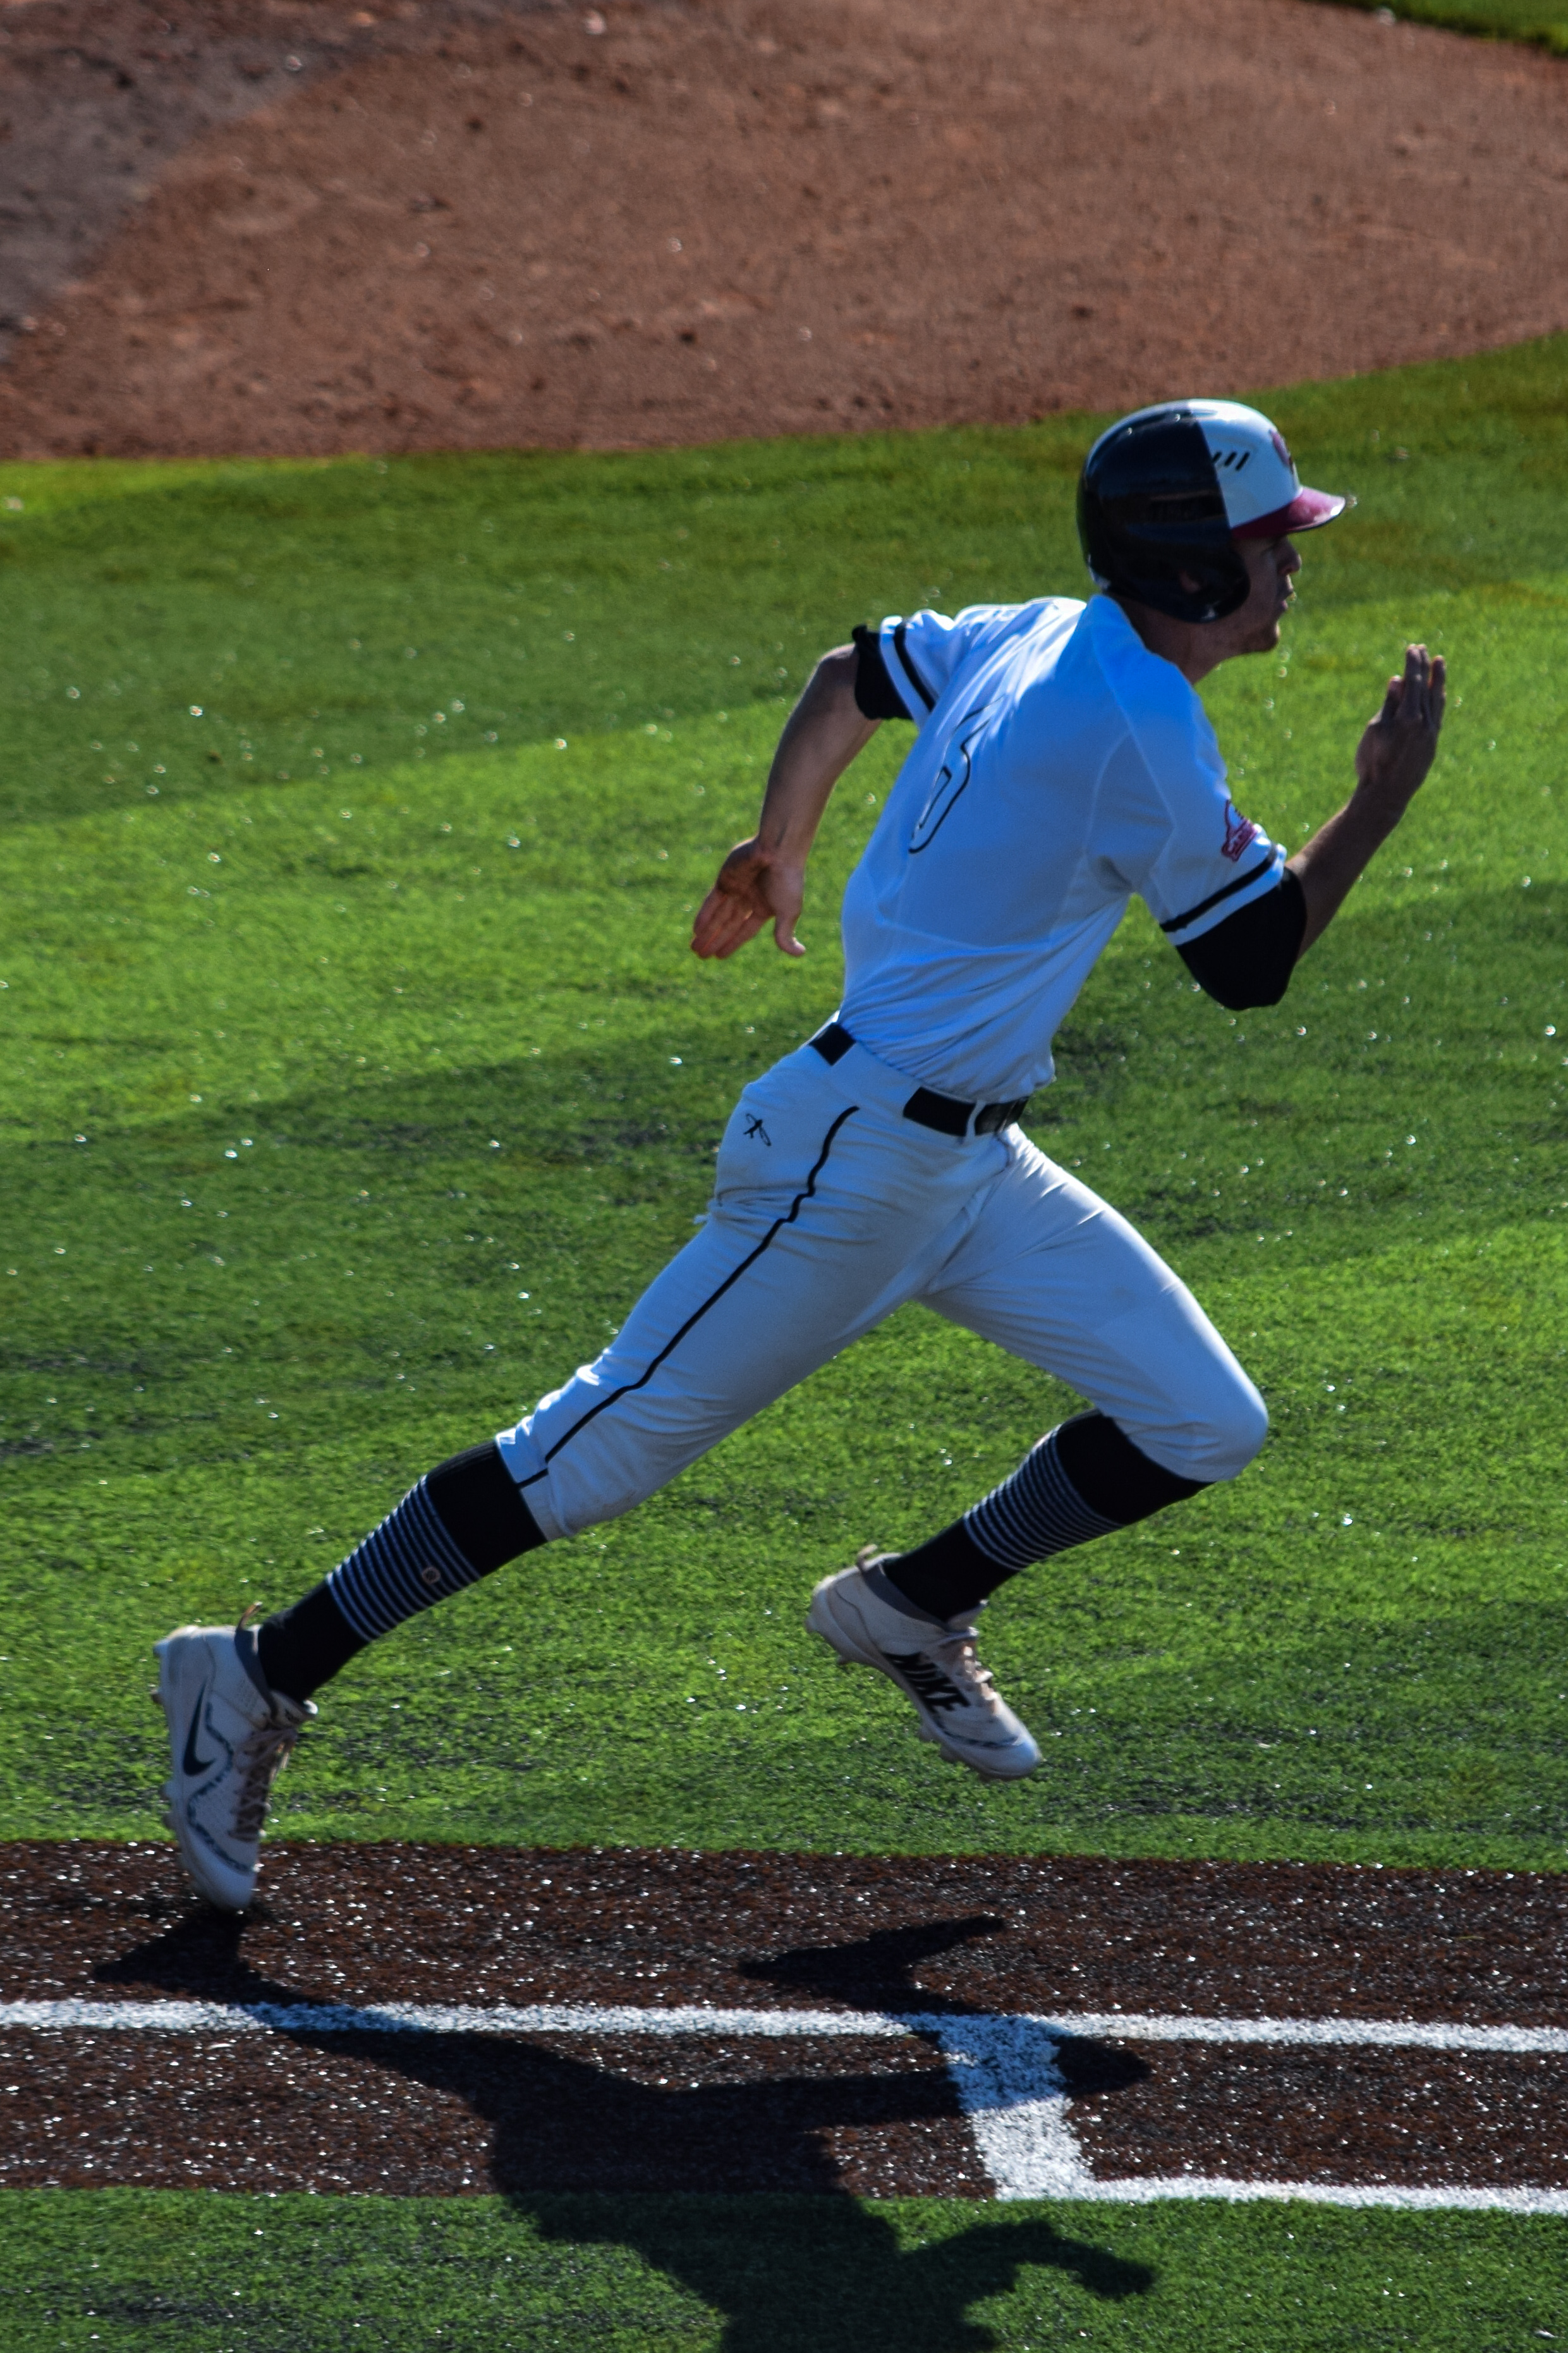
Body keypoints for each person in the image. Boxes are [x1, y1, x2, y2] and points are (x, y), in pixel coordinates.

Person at [152, 400, 1446, 1910]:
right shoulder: (1138, 724)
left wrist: (781, 841)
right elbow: (1250, 964)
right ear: (1190, 559)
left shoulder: (1043, 629)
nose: (1294, 566)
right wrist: (1376, 799)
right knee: (593, 1449)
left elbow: (848, 675)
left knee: (1199, 1420)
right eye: (1269, 540)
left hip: (963, 1169)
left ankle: (910, 1602)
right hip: (849, 1166)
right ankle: (250, 1674)